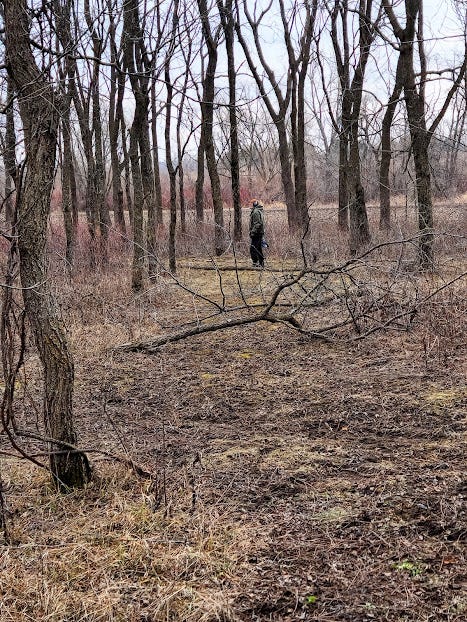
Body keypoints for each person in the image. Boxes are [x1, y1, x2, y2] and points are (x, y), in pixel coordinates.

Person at [249, 200, 265, 267]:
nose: (250, 205)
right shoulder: (258, 211)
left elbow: (258, 224)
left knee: (253, 248)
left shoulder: (256, 212)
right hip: (259, 233)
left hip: (257, 233)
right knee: (258, 248)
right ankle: (261, 263)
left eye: (251, 203)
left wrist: (252, 232)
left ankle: (255, 263)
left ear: (254, 204)